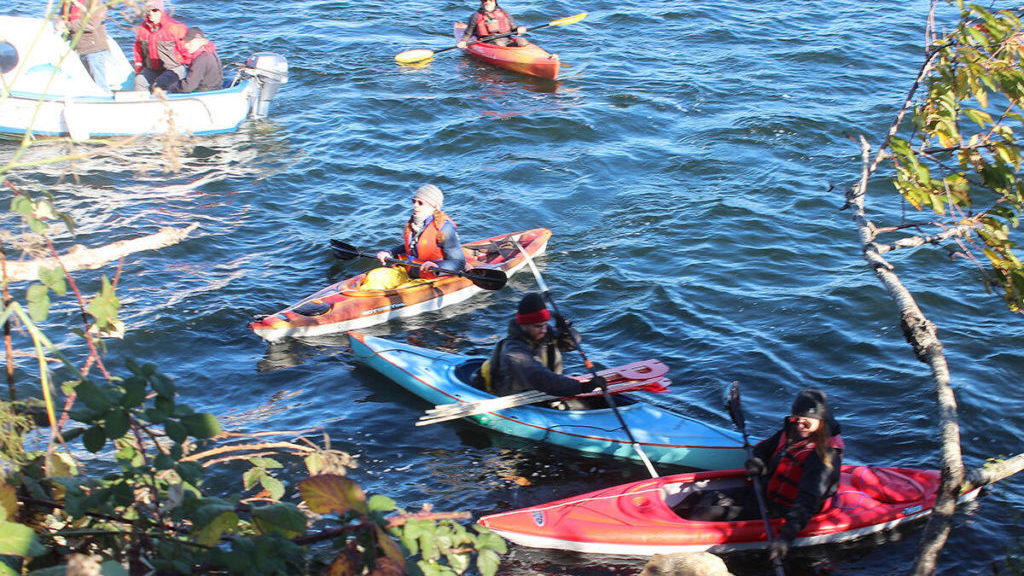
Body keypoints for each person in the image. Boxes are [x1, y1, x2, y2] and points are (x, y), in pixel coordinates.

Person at [676, 388, 844, 562]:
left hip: (786, 511)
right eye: (796, 418)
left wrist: (785, 539)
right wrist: (757, 462)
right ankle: (672, 523)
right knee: (701, 495)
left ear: (821, 420)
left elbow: (807, 501)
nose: (799, 424)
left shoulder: (824, 456)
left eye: (805, 422)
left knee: (708, 514)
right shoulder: (794, 430)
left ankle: (679, 546)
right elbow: (763, 449)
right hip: (765, 493)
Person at [475, 293, 605, 401]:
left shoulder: (544, 332)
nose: (544, 330)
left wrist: (566, 331)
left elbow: (571, 345)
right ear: (524, 325)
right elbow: (540, 378)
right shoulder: (514, 351)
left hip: (539, 391)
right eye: (538, 326)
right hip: (511, 397)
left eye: (545, 324)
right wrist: (582, 388)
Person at [362, 185, 466, 290]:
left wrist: (437, 266)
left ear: (433, 205)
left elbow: (458, 262)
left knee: (402, 289)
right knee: (375, 275)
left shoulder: (445, 228)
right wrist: (390, 253)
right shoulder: (414, 223)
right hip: (409, 271)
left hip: (431, 277)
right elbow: (412, 246)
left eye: (420, 203)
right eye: (414, 201)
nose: (415, 206)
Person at [132, 0, 188, 92]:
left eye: (154, 10)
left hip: (174, 68)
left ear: (161, 10)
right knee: (139, 81)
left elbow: (186, 50)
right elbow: (137, 50)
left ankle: (164, 102)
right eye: (148, 10)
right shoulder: (142, 29)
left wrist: (191, 68)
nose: (151, 13)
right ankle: (142, 103)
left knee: (160, 83)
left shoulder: (175, 27)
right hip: (152, 69)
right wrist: (138, 68)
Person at [59, 0, 112, 92]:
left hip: (95, 49)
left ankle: (104, 101)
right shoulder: (68, 3)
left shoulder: (94, 3)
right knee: (90, 84)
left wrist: (69, 25)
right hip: (80, 49)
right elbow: (61, 17)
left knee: (100, 85)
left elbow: (91, 24)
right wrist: (59, 22)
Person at [168, 27, 223, 93]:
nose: (186, 45)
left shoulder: (201, 59)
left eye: (189, 42)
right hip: (215, 88)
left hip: (205, 93)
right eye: (186, 42)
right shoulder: (210, 51)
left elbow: (188, 87)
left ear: (199, 41)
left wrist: (172, 87)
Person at [456, 0, 528, 49]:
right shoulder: (476, 15)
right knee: (499, 43)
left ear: (495, 2)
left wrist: (519, 29)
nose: (488, 2)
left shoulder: (504, 12)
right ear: (482, 2)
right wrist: (463, 41)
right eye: (485, 0)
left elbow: (514, 28)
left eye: (491, 0)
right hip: (488, 42)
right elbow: (469, 33)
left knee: (522, 41)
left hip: (506, 40)